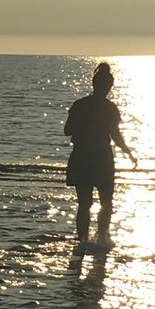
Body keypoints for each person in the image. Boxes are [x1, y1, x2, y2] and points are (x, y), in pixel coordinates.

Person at [64, 62, 137, 252]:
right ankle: (102, 240)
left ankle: (82, 241)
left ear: (93, 84)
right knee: (106, 201)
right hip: (101, 158)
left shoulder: (79, 105)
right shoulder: (110, 108)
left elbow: (67, 130)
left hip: (81, 157)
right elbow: (115, 134)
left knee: (84, 203)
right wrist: (128, 152)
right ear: (108, 86)